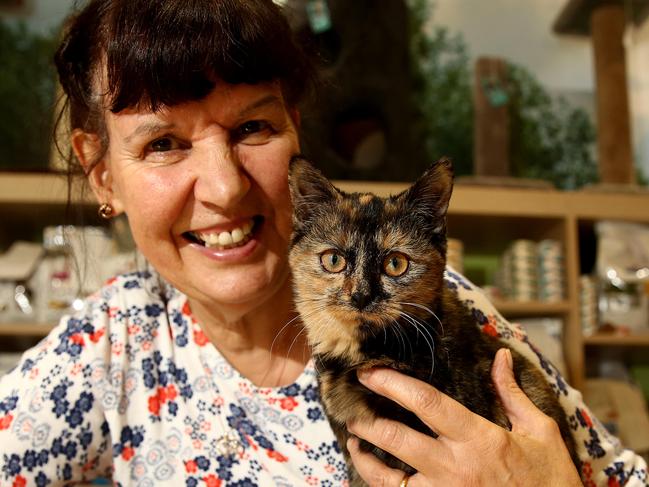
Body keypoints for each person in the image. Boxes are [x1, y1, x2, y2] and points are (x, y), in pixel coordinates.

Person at [0, 1, 646, 485]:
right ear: (102, 172)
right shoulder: (113, 343)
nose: (224, 188)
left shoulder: (433, 309)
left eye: (253, 126)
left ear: (295, 132)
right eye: (163, 142)